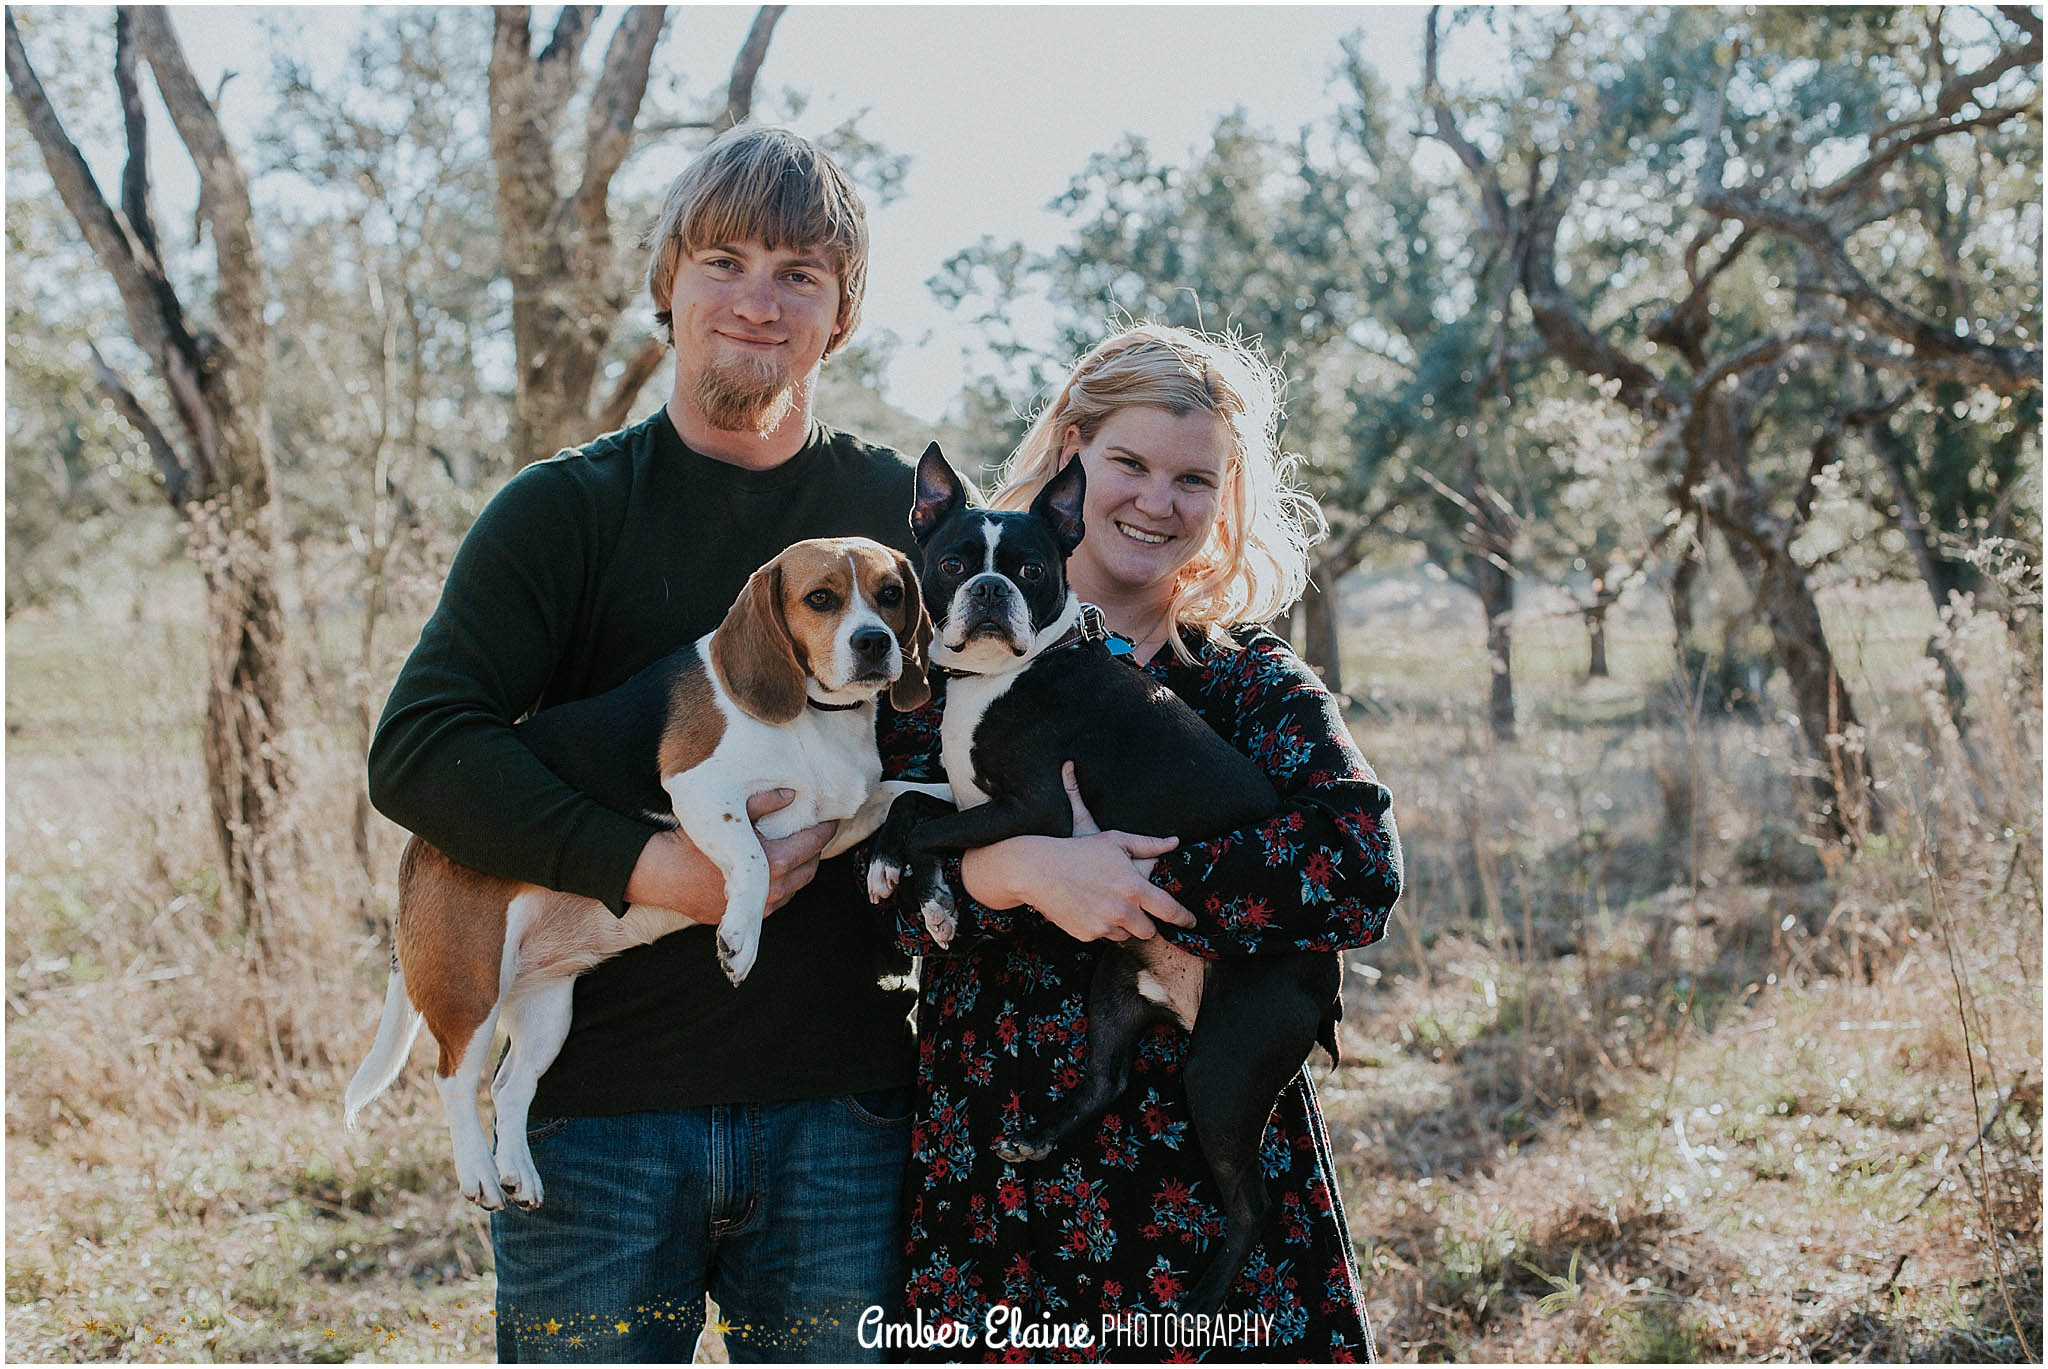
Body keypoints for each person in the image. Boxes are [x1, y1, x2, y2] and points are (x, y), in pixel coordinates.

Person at [366, 125, 921, 1363]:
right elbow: (419, 751)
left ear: (842, 313)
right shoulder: (560, 512)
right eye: (723, 260)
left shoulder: (894, 523)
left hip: (845, 1112)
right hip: (594, 1123)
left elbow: (993, 710)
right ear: (665, 278)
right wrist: (649, 867)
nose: (756, 302)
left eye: (800, 275)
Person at [873, 323, 1403, 1361]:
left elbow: (1356, 869)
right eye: (1127, 463)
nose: (1155, 501)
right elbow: (882, 889)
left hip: (1205, 1159)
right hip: (1003, 1152)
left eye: (1191, 478)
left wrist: (1130, 878)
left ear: (1223, 497)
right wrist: (1017, 866)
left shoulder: (1246, 683)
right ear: (1071, 460)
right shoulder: (938, 674)